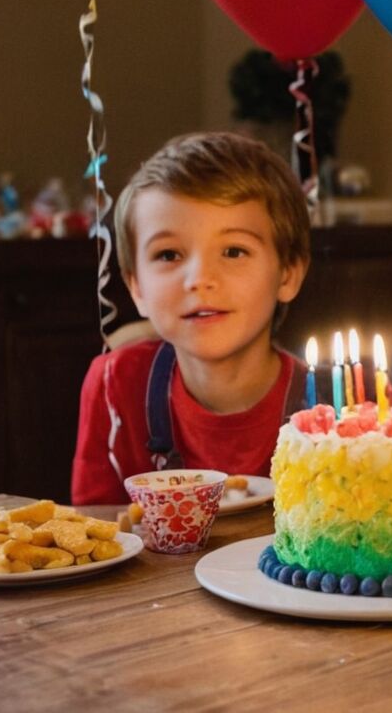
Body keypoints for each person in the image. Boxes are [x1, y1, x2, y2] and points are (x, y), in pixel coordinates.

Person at [72, 132, 311, 504]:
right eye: (169, 255)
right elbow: (96, 529)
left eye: (233, 251)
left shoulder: (337, 404)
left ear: (288, 274)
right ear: (136, 287)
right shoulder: (113, 386)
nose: (199, 279)